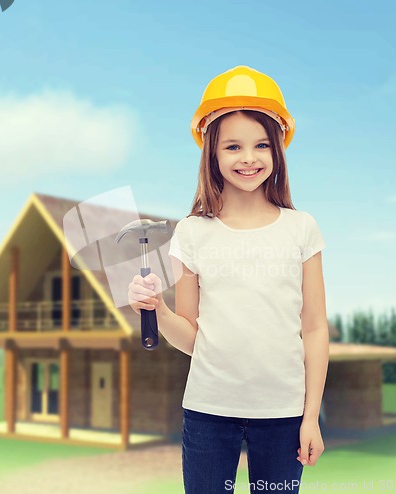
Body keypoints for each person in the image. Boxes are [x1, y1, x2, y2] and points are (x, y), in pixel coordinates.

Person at [128, 65, 329, 494]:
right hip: (207, 412)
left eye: (260, 145)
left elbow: (314, 328)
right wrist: (157, 310)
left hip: (285, 414)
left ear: (278, 150)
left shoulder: (302, 228)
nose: (248, 158)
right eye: (233, 146)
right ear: (212, 154)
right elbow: (191, 337)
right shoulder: (193, 232)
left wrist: (310, 417)